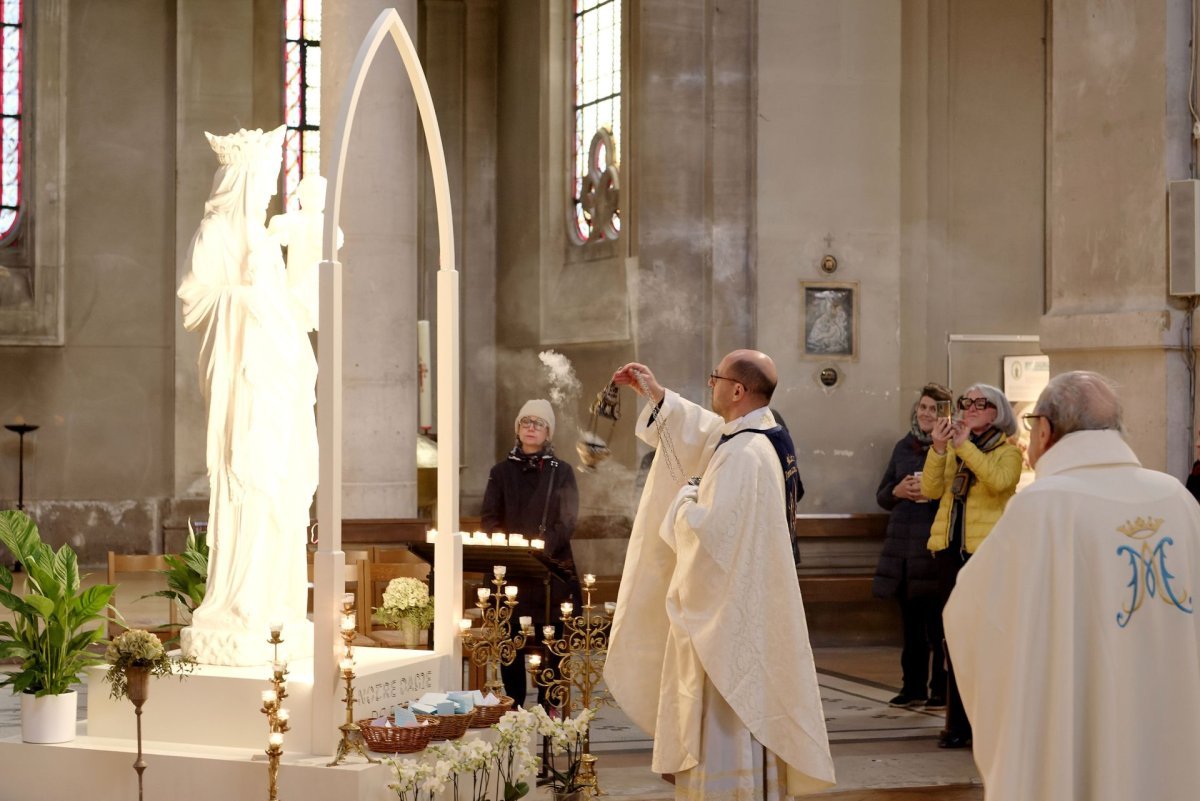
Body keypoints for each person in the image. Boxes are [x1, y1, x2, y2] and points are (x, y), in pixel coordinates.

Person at [944, 371, 1200, 801]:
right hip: (1173, 724)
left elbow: (971, 614)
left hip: (1082, 723)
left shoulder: (1043, 507)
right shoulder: (1177, 500)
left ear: (1044, 430)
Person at [605, 351, 835, 799]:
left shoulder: (746, 456)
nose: (710, 385)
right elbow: (706, 433)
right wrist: (658, 397)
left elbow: (709, 535)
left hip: (729, 619)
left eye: (716, 378)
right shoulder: (759, 437)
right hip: (746, 606)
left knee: (728, 710)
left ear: (737, 390)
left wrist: (684, 503)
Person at [177, 127, 317, 666]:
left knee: (283, 492)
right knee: (250, 485)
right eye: (260, 180)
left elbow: (291, 311)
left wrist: (307, 265)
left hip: (278, 382)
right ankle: (241, 600)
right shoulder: (215, 232)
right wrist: (250, 301)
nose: (267, 191)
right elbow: (196, 300)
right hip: (245, 383)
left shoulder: (264, 239)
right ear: (239, 180)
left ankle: (278, 600)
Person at [921, 382, 1021, 749]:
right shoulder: (955, 449)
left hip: (986, 556)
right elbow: (932, 490)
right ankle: (957, 722)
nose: (972, 407)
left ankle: (985, 722)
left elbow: (998, 482)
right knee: (954, 640)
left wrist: (963, 446)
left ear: (998, 413)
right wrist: (939, 447)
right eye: (967, 402)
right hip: (949, 554)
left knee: (984, 642)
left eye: (982, 403)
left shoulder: (1008, 452)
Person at [480, 399, 580, 706]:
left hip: (548, 572)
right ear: (518, 430)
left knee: (552, 643)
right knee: (512, 644)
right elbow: (489, 519)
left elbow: (568, 520)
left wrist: (540, 548)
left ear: (548, 431)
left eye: (538, 423)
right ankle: (516, 709)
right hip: (512, 571)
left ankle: (549, 710)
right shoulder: (501, 471)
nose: (531, 428)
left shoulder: (560, 471)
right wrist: (514, 549)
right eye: (526, 422)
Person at [872, 382, 953, 710]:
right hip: (903, 551)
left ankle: (939, 690)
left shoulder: (951, 449)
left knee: (938, 626)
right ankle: (913, 687)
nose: (926, 414)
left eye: (934, 409)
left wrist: (931, 491)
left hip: (932, 548)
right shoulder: (902, 448)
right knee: (911, 628)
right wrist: (898, 492)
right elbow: (881, 494)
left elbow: (954, 494)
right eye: (922, 408)